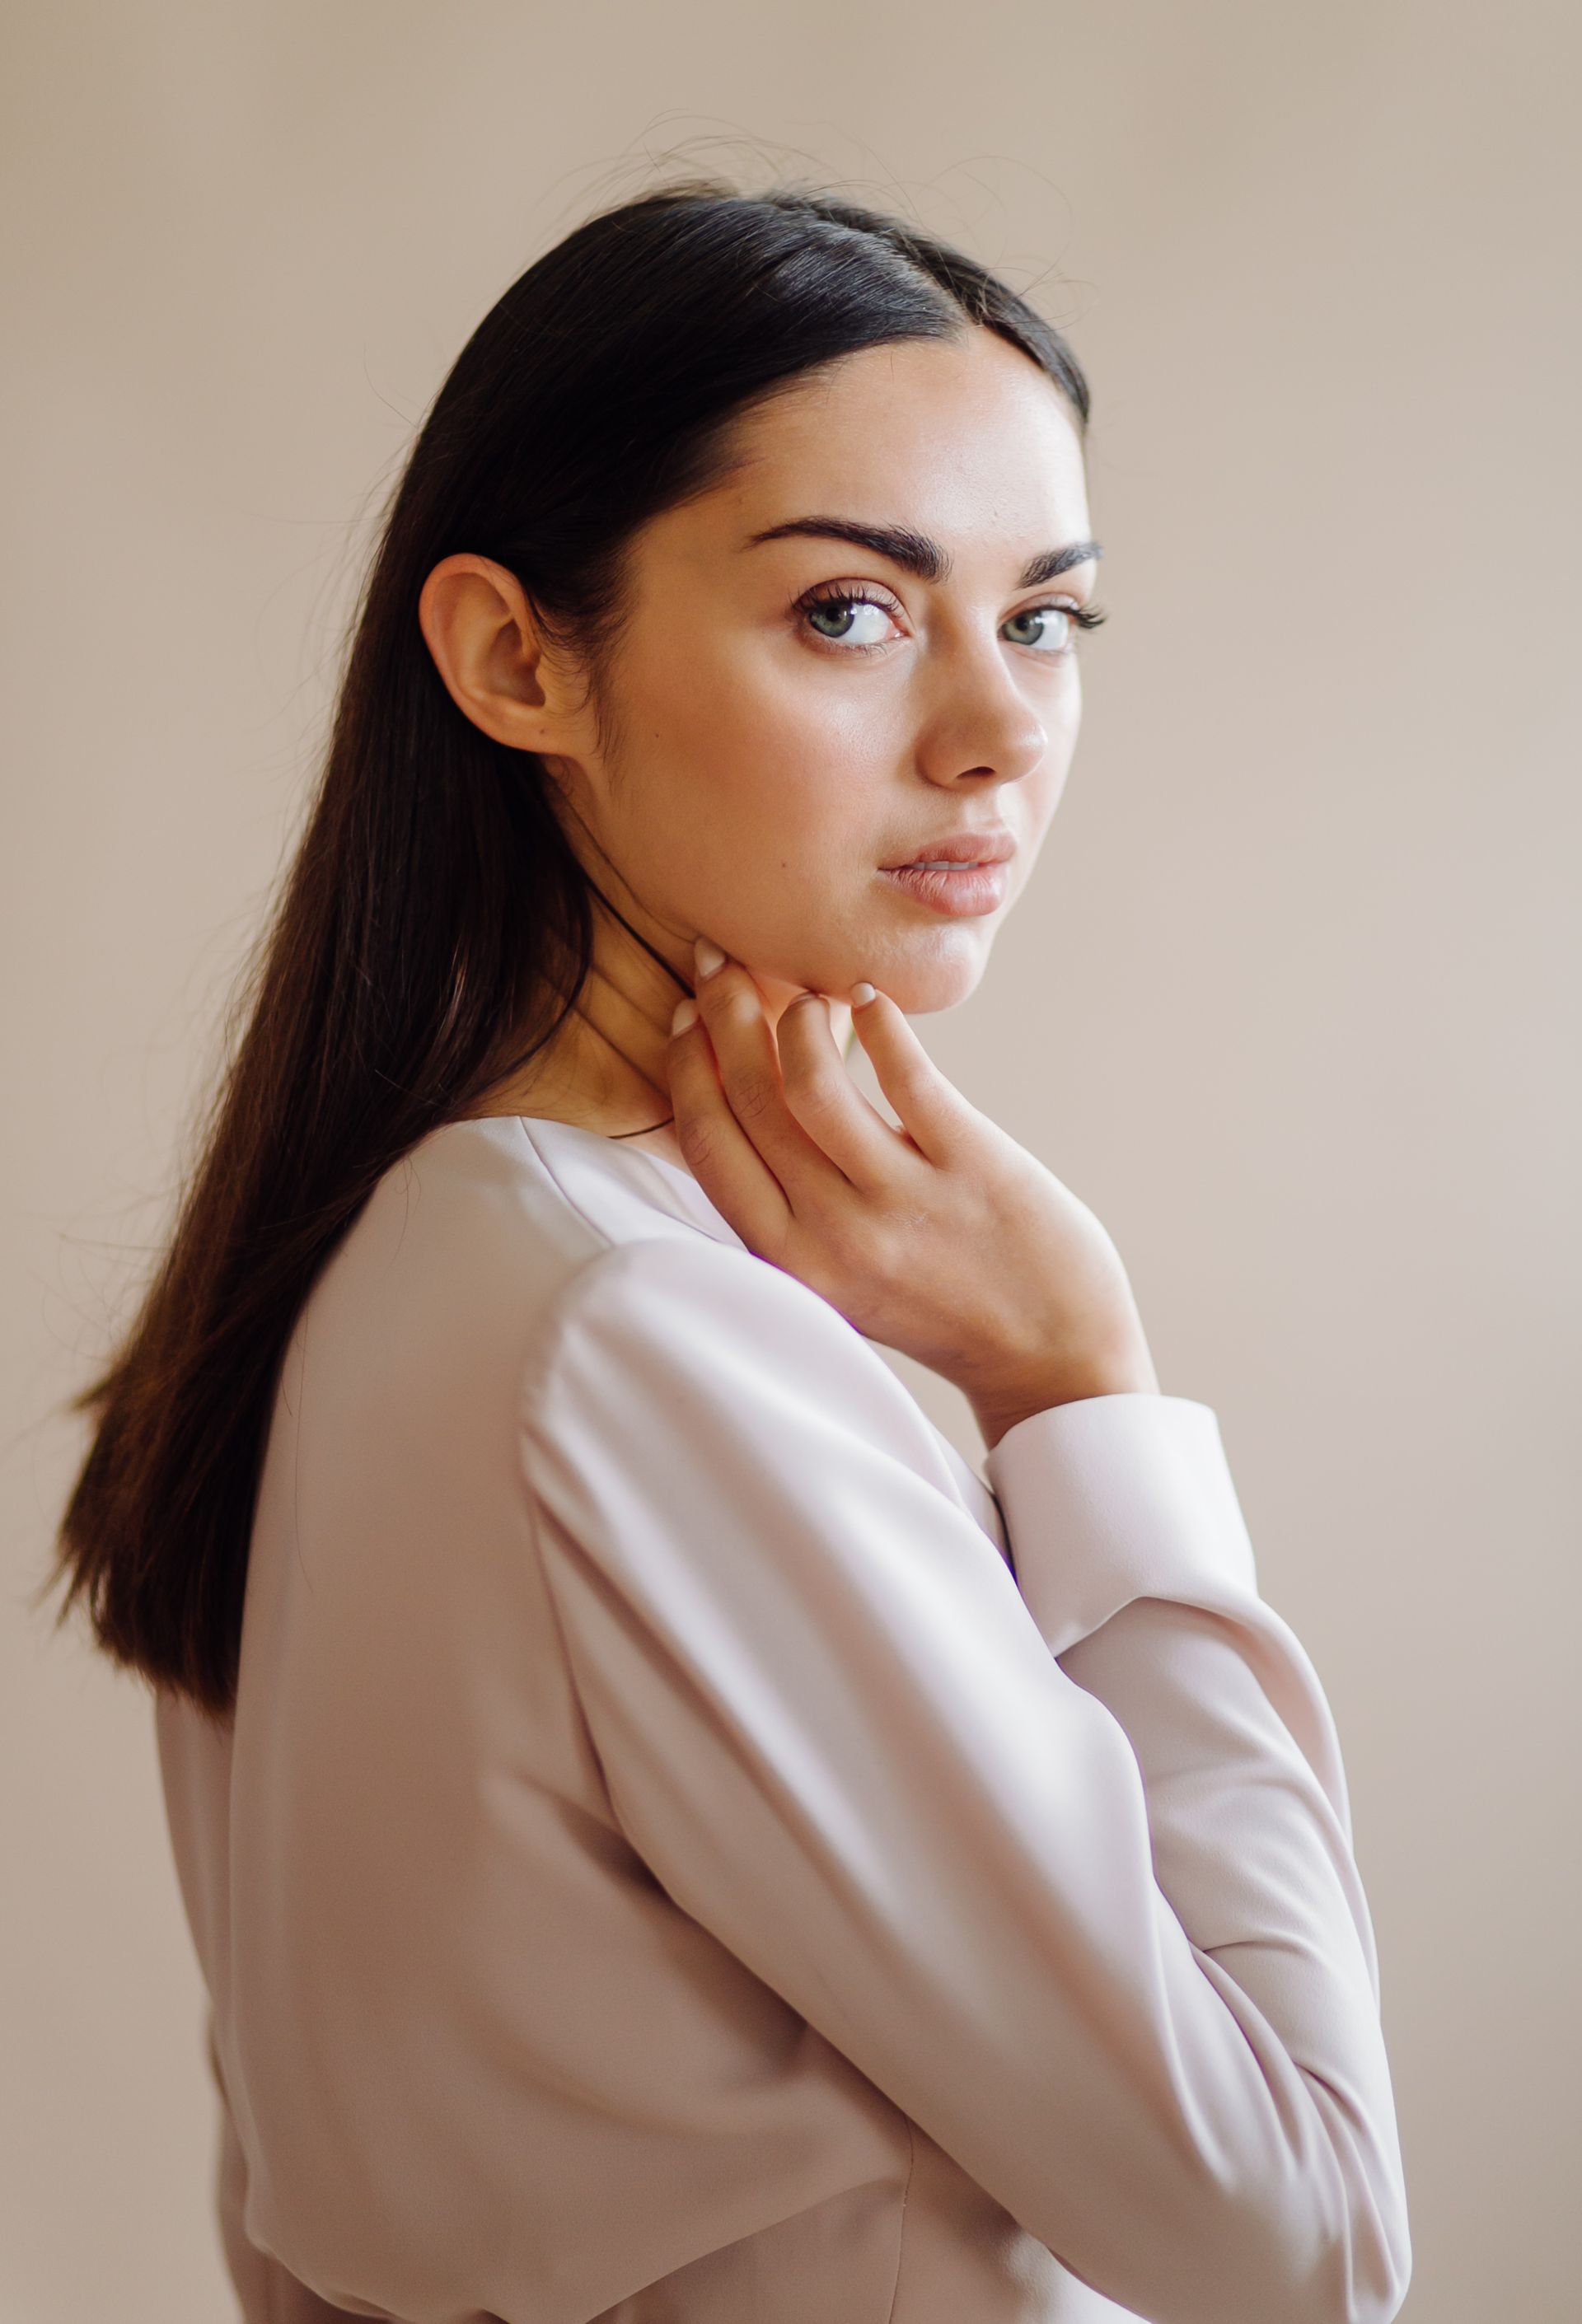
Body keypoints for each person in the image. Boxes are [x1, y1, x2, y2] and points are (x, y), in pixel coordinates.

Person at [47, 180, 1411, 2323]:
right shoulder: (627, 1334)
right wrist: (1085, 1396)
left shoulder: (391, 1259)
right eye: (852, 614)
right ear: (518, 658)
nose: (997, 733)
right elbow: (1303, 2235)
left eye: (1044, 619)